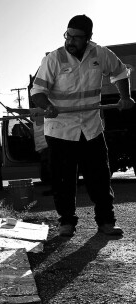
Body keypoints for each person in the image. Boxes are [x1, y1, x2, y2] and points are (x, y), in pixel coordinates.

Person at [30, 14, 135, 237]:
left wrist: (125, 97)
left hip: (91, 128)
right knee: (63, 180)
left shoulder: (100, 54)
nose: (70, 41)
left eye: (77, 38)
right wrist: (47, 105)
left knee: (100, 177)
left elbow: (119, 73)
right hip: (60, 130)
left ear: (88, 38)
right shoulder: (54, 59)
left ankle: (106, 222)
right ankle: (67, 222)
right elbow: (37, 92)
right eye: (68, 35)